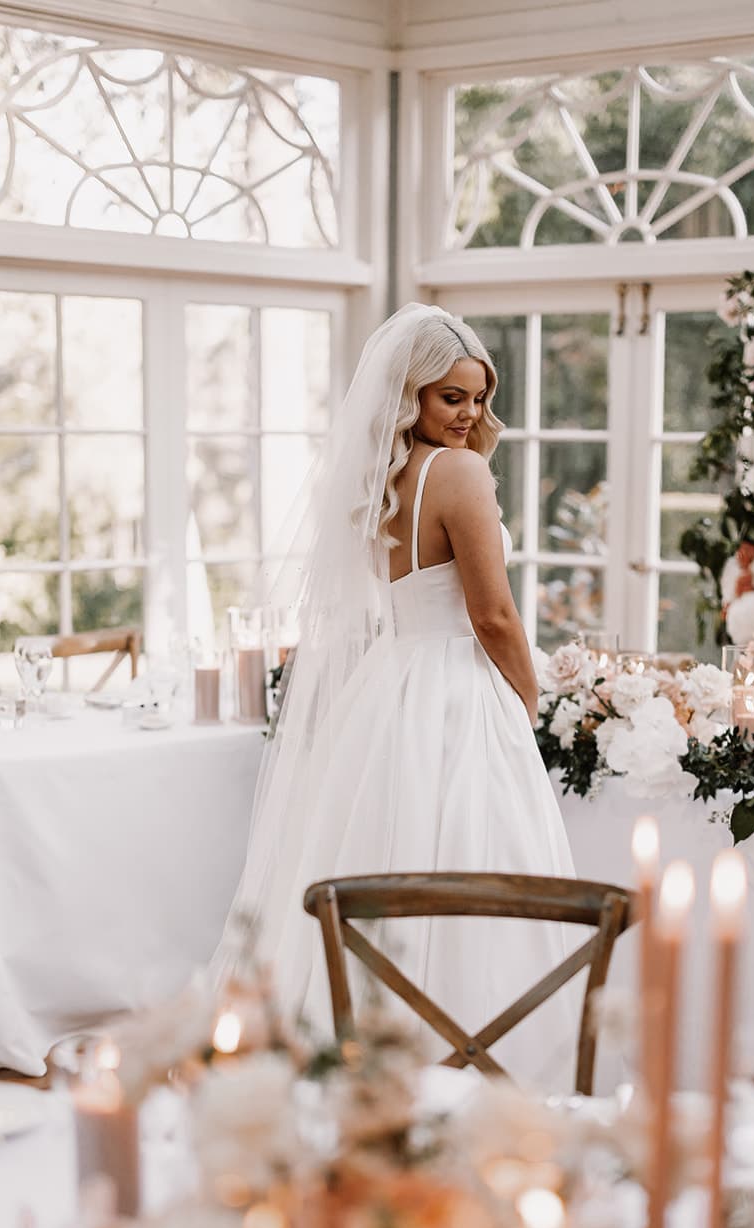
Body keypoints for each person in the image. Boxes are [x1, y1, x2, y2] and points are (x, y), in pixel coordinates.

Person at [220, 303, 580, 1088]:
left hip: (388, 690)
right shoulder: (458, 473)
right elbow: (492, 613)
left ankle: (369, 1053)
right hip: (456, 689)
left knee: (380, 847)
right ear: (410, 393)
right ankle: (476, 1059)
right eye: (450, 397)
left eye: (478, 397)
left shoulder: (378, 477)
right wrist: (526, 699)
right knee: (469, 860)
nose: (469, 414)